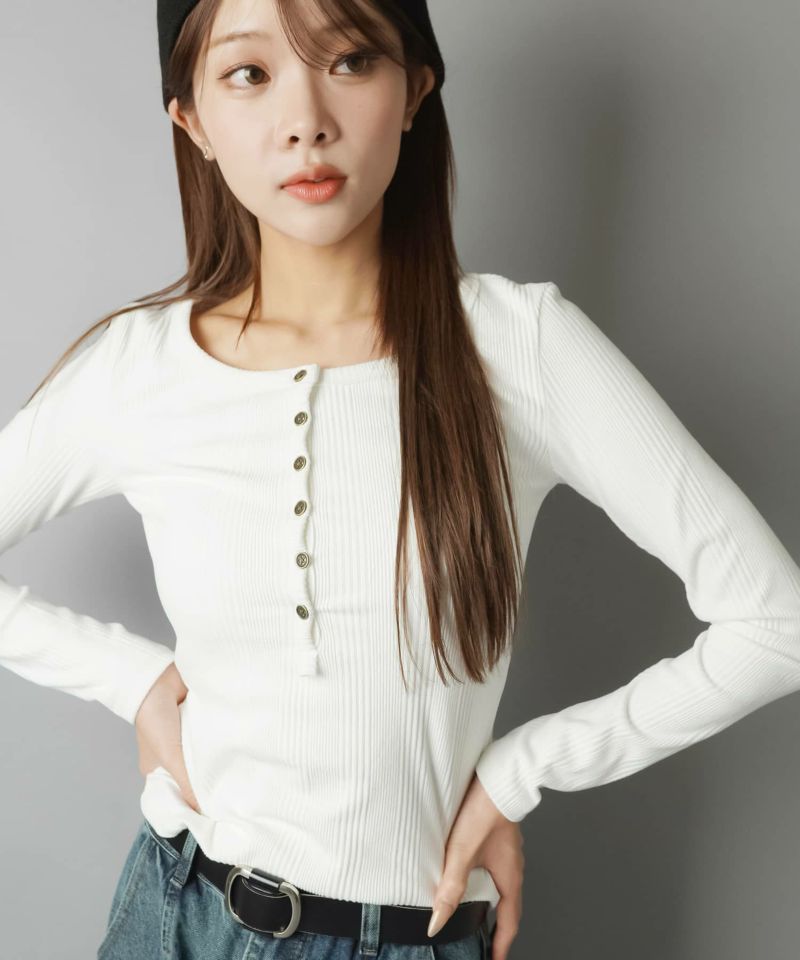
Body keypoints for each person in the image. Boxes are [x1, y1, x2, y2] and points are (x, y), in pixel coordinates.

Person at [2, 0, 799, 958]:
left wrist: (518, 773)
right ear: (193, 120)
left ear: (415, 89)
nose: (305, 121)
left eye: (349, 61)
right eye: (249, 74)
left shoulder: (518, 347)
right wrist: (129, 679)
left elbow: (775, 624)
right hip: (174, 914)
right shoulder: (141, 367)